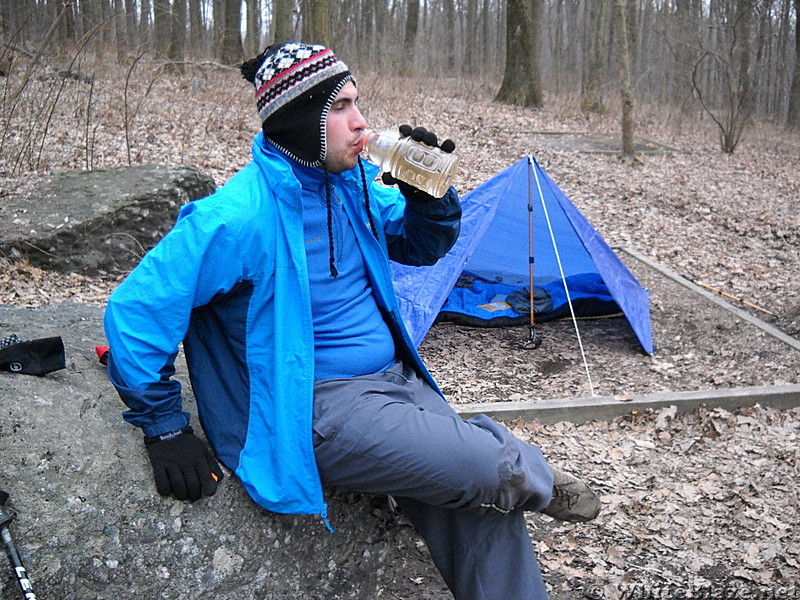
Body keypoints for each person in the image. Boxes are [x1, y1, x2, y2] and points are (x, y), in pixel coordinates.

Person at [103, 42, 601, 600]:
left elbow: (421, 245)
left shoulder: (352, 185)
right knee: (488, 470)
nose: (361, 122)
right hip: (321, 405)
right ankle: (533, 476)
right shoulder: (236, 217)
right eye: (340, 107)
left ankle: (502, 482)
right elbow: (135, 312)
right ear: (299, 121)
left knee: (482, 506)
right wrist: (164, 426)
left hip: (397, 382)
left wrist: (427, 198)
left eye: (358, 103)